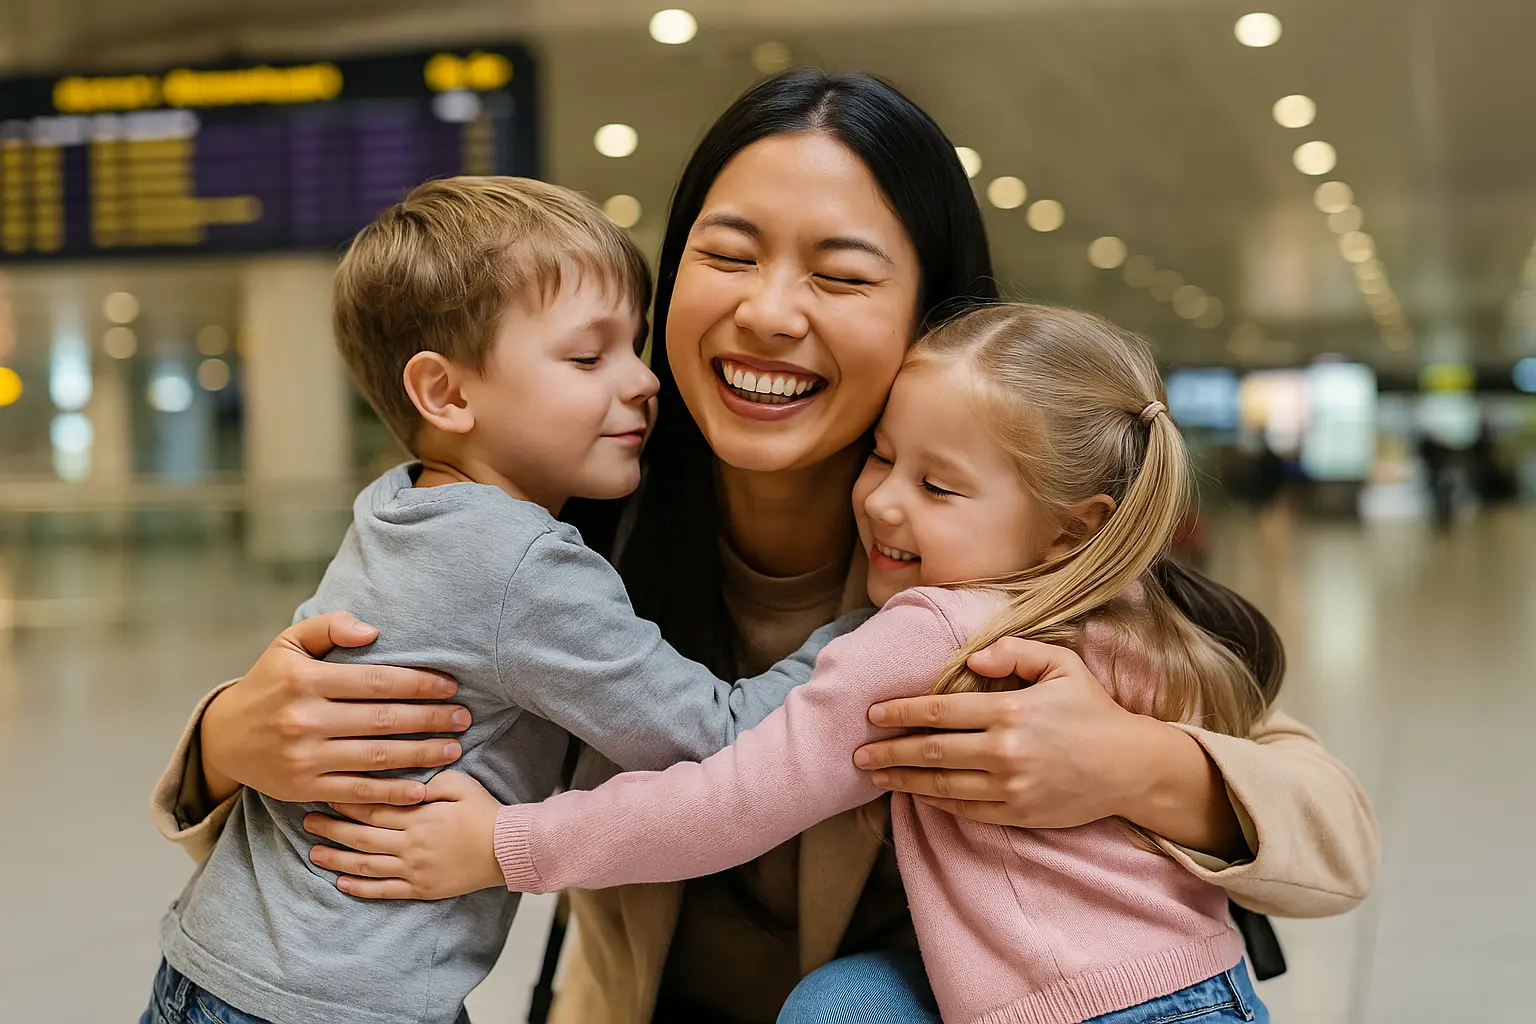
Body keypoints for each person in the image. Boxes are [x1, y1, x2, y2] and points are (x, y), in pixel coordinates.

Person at [151, 70, 1378, 1024]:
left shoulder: (1004, 555)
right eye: (727, 254)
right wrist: (224, 740)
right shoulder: (564, 520)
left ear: (928, 319)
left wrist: (1130, 767)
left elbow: (1332, 829)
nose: (768, 311)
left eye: (840, 275)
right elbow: (350, 786)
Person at [303, 303, 1276, 1024]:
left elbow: (726, 802)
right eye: (883, 457)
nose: (885, 504)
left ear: (1073, 530)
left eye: (938, 484)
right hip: (1210, 987)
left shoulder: (924, 630)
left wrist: (506, 844)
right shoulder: (1137, 617)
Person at [141, 177, 870, 1024]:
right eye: (589, 357)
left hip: (223, 966)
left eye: (635, 346)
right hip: (334, 1003)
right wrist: (878, 636)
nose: (644, 383)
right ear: (446, 394)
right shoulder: (519, 563)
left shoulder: (403, 505)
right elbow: (712, 738)